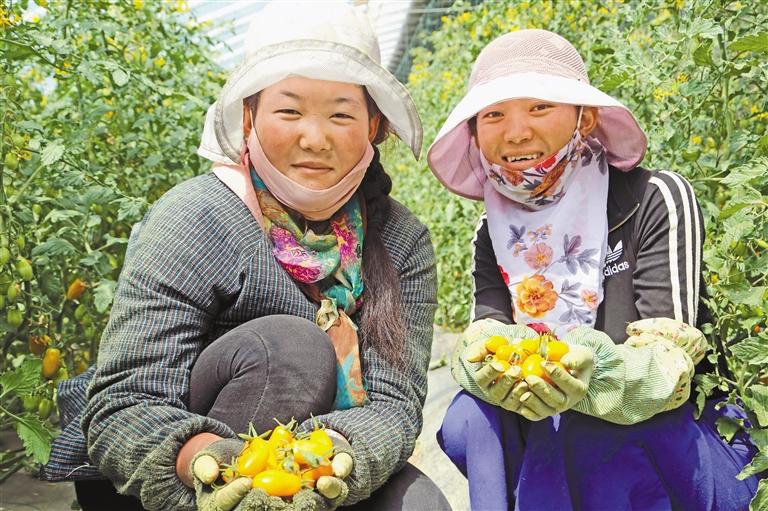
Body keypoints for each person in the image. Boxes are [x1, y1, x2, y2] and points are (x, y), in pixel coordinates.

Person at [40, 4, 451, 511]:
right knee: (290, 352)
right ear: (249, 117)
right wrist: (206, 462)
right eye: (289, 111)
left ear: (373, 126)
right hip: (183, 474)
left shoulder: (400, 239)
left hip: (312, 464)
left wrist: (329, 461)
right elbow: (126, 401)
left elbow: (394, 405)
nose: (314, 138)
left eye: (341, 114)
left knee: (421, 503)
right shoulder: (197, 216)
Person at [427, 29, 763, 510]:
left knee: (587, 430)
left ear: (584, 118)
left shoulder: (653, 197)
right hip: (555, 435)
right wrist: (486, 360)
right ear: (476, 133)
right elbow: (491, 329)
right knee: (470, 418)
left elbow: (668, 365)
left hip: (674, 436)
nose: (516, 132)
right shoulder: (493, 231)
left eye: (540, 106)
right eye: (494, 115)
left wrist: (590, 372)